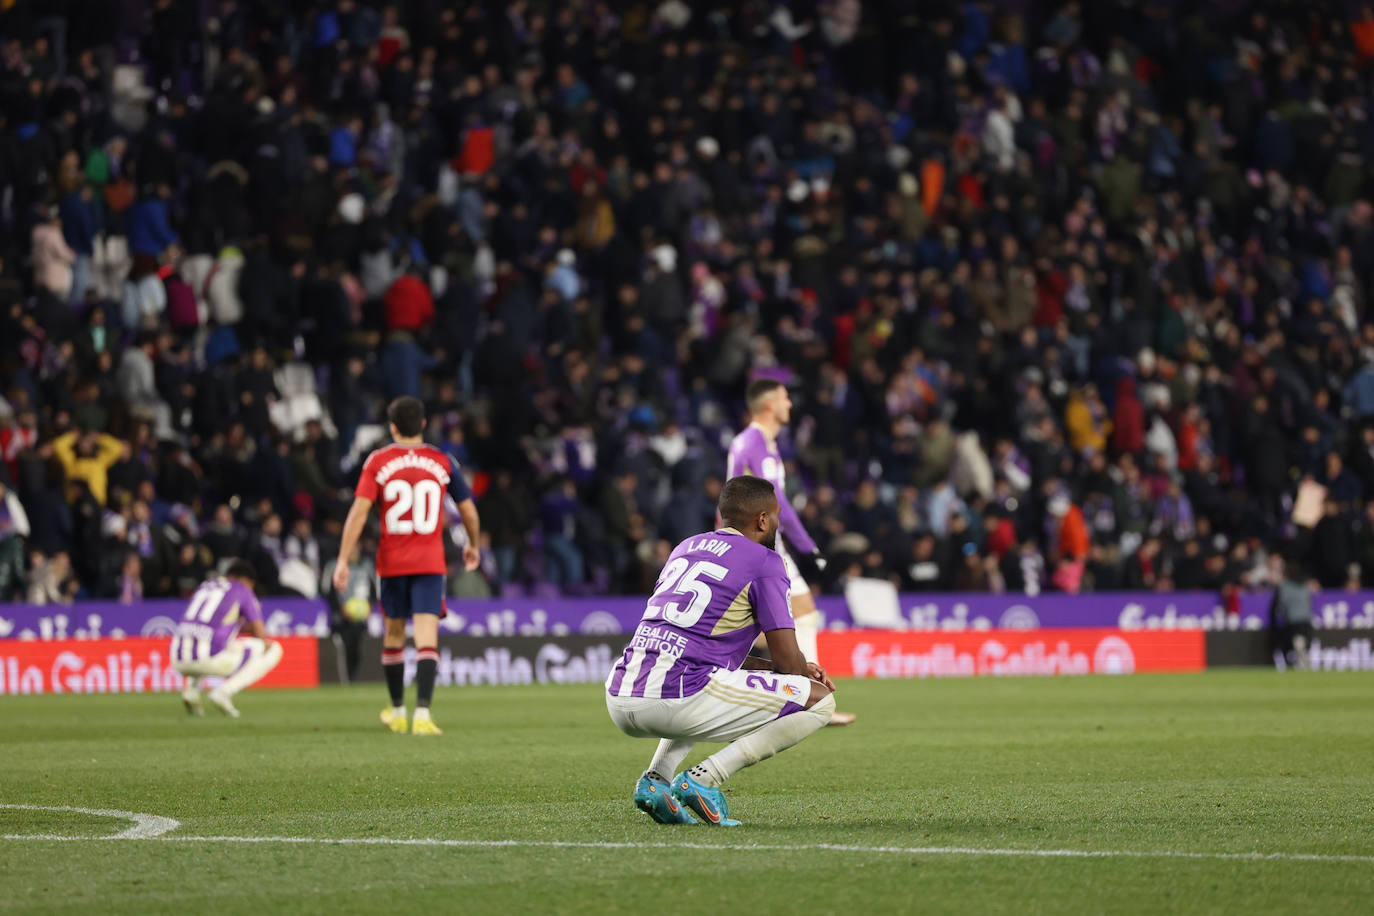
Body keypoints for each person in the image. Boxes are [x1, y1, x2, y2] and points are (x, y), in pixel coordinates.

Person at [606, 476, 837, 827]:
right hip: (677, 695)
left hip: (620, 693)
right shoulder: (765, 561)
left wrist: (774, 668)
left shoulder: (685, 547)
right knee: (820, 701)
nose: (778, 524)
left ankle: (656, 781)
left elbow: (699, 642)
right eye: (776, 517)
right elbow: (789, 663)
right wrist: (803, 673)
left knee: (710, 681)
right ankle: (704, 778)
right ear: (762, 520)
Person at [333, 396, 481, 736]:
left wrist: (343, 560)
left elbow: (358, 512)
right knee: (427, 638)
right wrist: (472, 545)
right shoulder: (442, 461)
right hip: (430, 562)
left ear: (393, 426)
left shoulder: (378, 460)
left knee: (394, 634)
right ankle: (423, 715)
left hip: (393, 562)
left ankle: (398, 710)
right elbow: (468, 510)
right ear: (424, 424)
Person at [726, 379, 856, 725]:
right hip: (760, 546)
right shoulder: (756, 442)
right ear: (769, 405)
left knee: (798, 613)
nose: (790, 404)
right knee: (776, 620)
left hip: (751, 542)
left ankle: (802, 696)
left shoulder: (751, 442)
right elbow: (776, 501)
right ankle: (805, 698)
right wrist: (808, 546)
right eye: (785, 398)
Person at [170, 560, 282, 718]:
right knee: (273, 649)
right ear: (246, 580)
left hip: (177, 656)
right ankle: (223, 692)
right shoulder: (242, 589)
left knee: (208, 640)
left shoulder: (205, 585)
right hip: (208, 658)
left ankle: (191, 691)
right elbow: (260, 634)